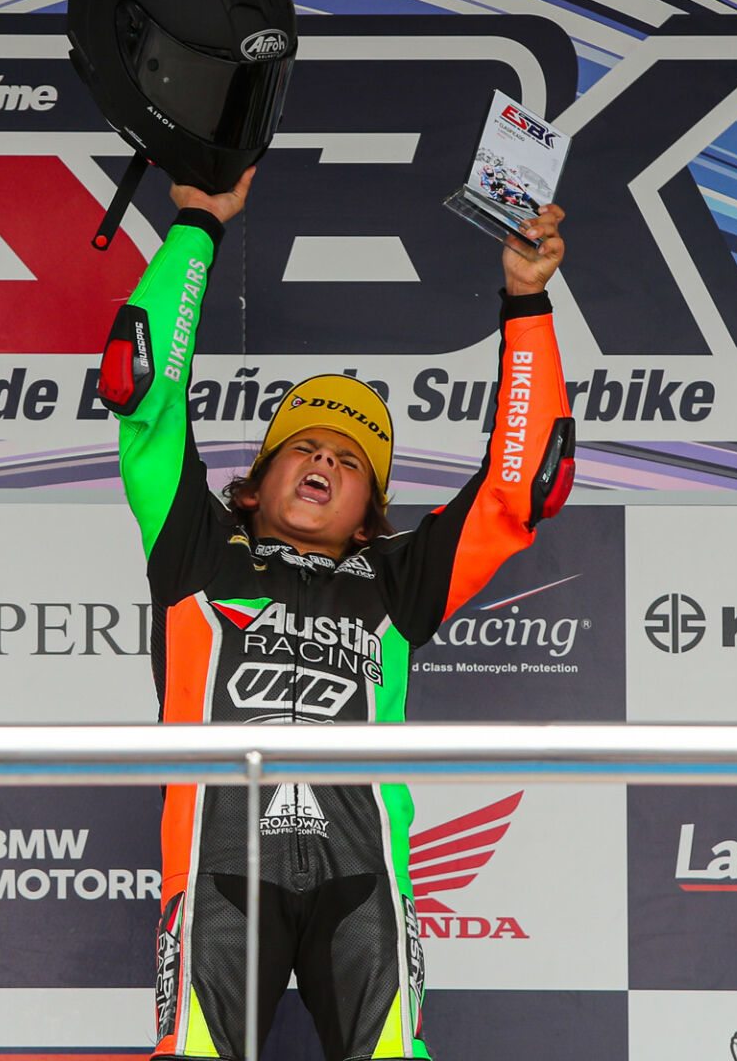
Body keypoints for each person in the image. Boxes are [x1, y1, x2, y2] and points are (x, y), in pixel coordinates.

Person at [95, 167, 577, 1061]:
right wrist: (198, 227)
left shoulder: (397, 580)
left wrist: (525, 303)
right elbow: (145, 395)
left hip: (364, 874)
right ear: (258, 479)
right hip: (216, 865)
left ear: (370, 510)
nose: (322, 462)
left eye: (350, 461)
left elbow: (521, 486)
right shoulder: (194, 545)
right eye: (302, 447)